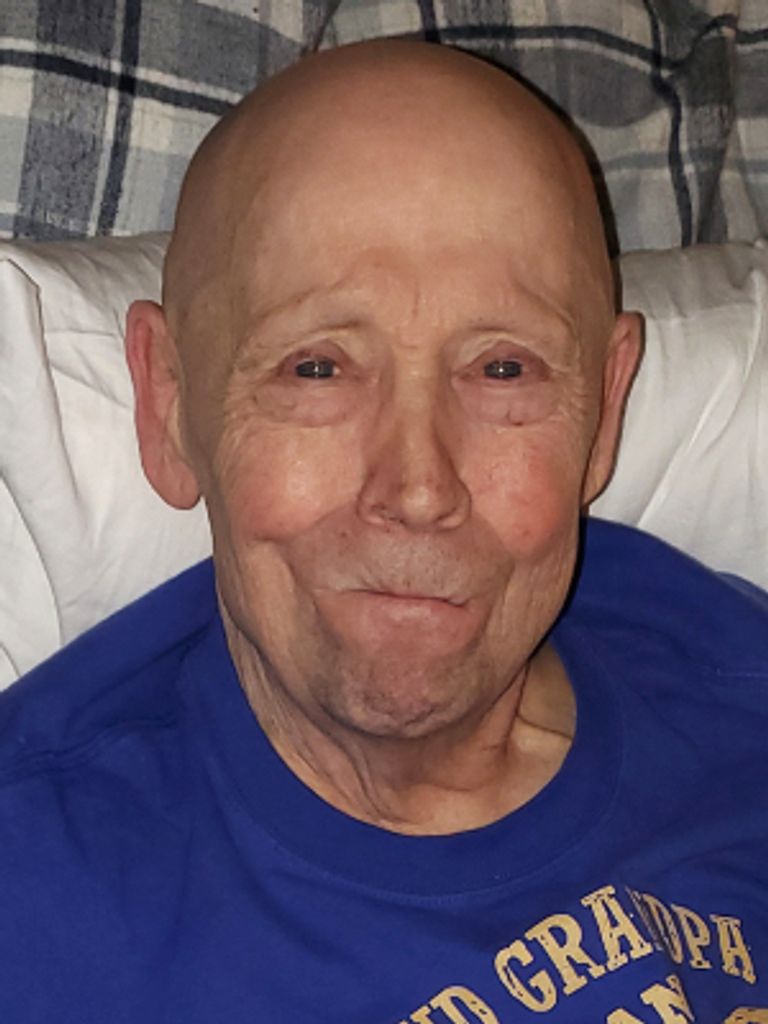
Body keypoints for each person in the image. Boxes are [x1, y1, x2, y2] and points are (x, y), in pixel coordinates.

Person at [1, 40, 767, 1024]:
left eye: (503, 369)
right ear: (169, 402)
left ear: (605, 411)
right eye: (317, 368)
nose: (418, 489)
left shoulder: (733, 674)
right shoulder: (35, 906)